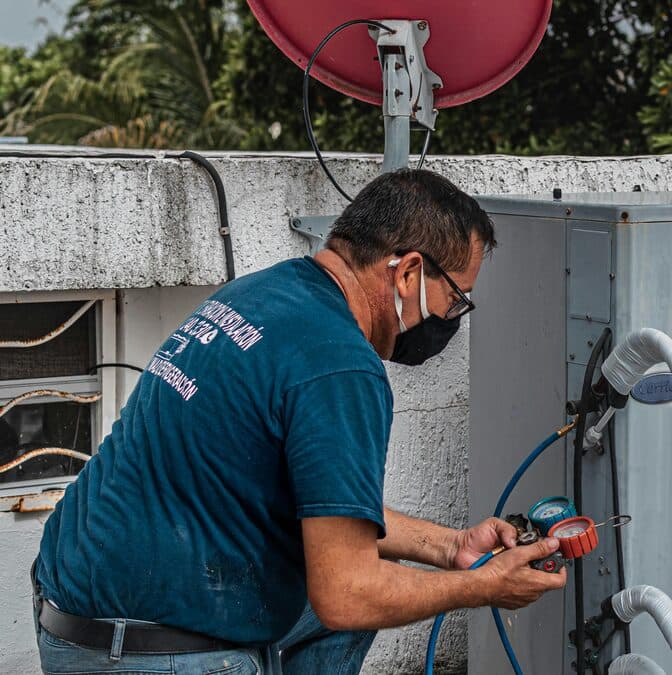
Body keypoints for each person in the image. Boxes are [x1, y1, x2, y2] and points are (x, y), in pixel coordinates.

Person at [32, 169, 566, 674]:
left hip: (73, 607)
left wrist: (452, 549)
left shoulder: (261, 293)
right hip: (153, 649)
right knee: (361, 599)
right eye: (454, 299)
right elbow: (347, 594)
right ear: (407, 273)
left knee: (346, 606)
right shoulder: (340, 366)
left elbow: (327, 511)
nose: (449, 320)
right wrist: (485, 587)